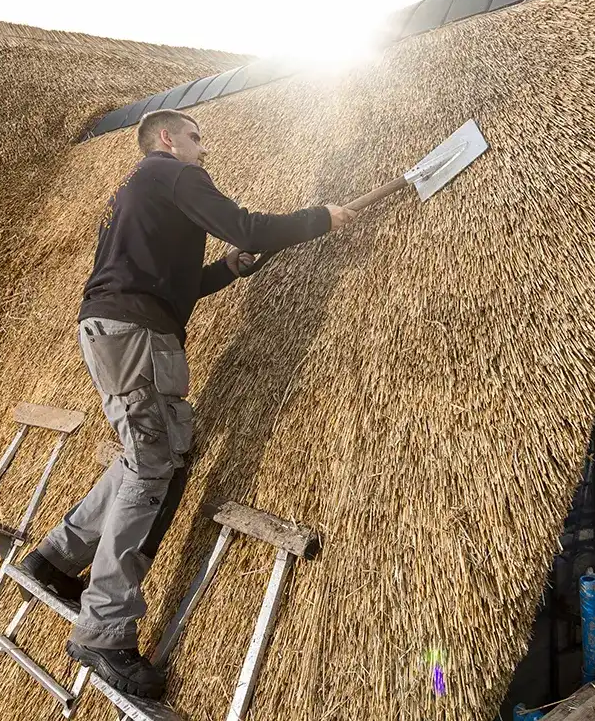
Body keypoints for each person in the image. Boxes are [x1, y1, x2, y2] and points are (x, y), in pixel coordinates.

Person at [18, 108, 357, 698]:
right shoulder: (171, 173)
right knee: (154, 464)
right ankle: (104, 631)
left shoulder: (132, 193)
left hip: (114, 327)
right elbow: (246, 225)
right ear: (168, 138)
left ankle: (51, 559)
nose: (204, 151)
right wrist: (319, 219)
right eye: (197, 139)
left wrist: (226, 270)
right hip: (137, 336)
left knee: (139, 456)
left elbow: (172, 282)